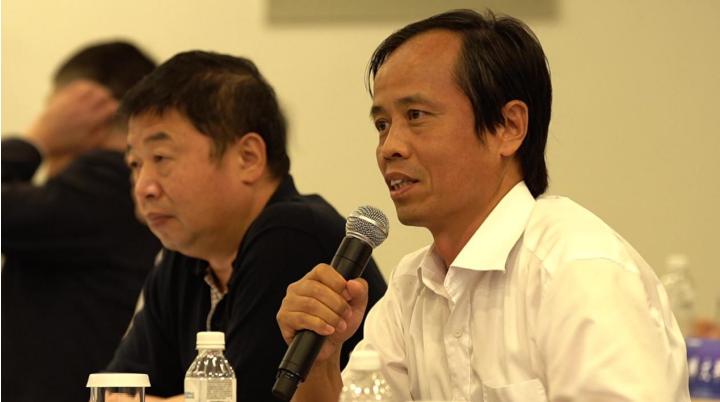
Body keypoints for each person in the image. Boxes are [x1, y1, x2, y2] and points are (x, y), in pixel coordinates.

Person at [276, 9, 690, 402]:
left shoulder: (578, 271)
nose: (390, 147)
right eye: (382, 124)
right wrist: (323, 359)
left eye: (416, 115)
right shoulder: (412, 286)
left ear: (509, 127)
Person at [105, 50, 387, 401]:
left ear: (248, 157)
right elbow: (115, 391)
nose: (143, 187)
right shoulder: (185, 256)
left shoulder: (291, 233)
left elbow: (251, 397)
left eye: (161, 158)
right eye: (135, 164)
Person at [1, 42, 161, 402]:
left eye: (53, 107)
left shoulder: (107, 179)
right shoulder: (112, 187)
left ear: (85, 108)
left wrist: (36, 139)